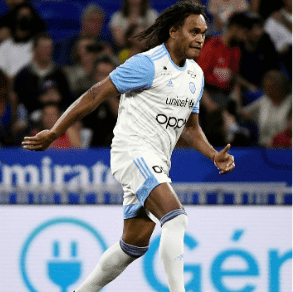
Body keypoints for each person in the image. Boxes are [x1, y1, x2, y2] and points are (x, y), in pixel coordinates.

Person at [22, 1, 235, 291]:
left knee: (132, 247)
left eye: (203, 32)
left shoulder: (195, 75)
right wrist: (55, 130)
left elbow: (190, 128)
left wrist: (213, 155)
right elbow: (96, 93)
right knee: (176, 219)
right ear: (173, 32)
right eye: (193, 31)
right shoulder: (147, 65)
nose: (200, 38)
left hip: (157, 160)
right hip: (133, 152)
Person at [13, 33, 73, 116]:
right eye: (44, 47)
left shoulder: (59, 73)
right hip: (31, 116)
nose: (48, 50)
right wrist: (40, 99)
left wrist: (57, 99)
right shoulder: (24, 74)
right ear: (35, 49)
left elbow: (67, 97)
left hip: (56, 116)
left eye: (50, 47)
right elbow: (20, 100)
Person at [242, 70, 292, 147]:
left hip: (285, 147)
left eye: (272, 87)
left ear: (281, 86)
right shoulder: (264, 100)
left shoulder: (290, 101)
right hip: (263, 147)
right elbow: (244, 113)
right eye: (266, 87)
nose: (268, 90)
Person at [0, 3, 46, 79]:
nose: (23, 21)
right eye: (20, 16)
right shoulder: (4, 46)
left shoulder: (37, 48)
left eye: (27, 17)